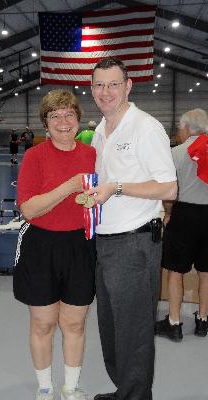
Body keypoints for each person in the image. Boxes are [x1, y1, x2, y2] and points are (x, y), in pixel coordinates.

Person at [86, 57, 177, 400]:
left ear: (128, 86)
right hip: (105, 242)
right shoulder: (99, 131)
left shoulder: (145, 127)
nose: (105, 92)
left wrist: (117, 187)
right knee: (111, 328)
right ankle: (125, 390)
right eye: (99, 85)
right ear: (92, 88)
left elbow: (169, 188)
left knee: (134, 332)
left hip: (135, 243)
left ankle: (135, 396)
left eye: (113, 84)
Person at [13, 90, 96, 400]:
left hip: (79, 245)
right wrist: (70, 186)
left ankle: (71, 388)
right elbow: (30, 209)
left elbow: (101, 194)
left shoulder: (91, 154)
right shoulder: (35, 156)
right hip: (41, 244)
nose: (63, 121)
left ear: (78, 119)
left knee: (74, 323)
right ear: (45, 123)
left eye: (69, 115)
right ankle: (45, 389)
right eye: (55, 116)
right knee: (44, 323)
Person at [155, 109, 208, 342]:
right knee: (207, 273)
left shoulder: (176, 153)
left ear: (187, 128)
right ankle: (203, 321)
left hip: (184, 215)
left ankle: (174, 323)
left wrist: (167, 214)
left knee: (175, 271)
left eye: (179, 127)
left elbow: (168, 192)